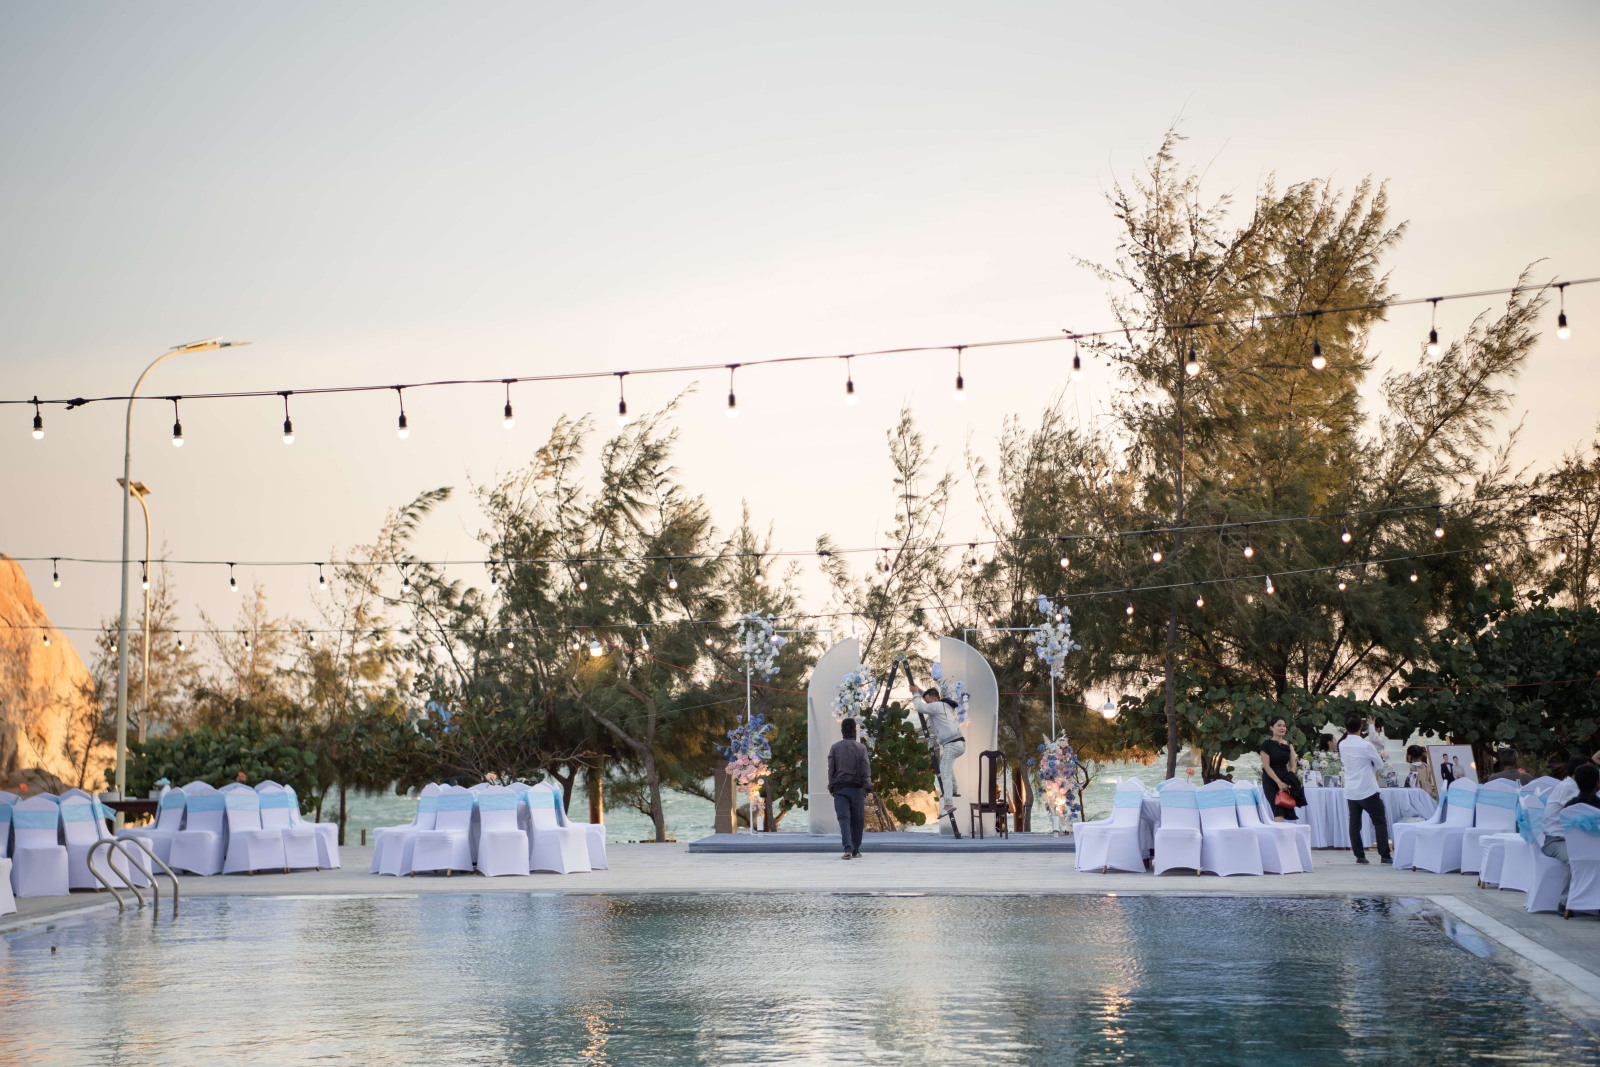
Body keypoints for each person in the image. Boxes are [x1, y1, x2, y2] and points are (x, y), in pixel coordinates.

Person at [1543, 758, 1600, 913]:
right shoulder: (1569, 790)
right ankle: (1565, 901)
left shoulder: (1573, 793)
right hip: (1557, 840)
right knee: (1574, 857)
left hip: (1575, 839)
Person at [1338, 714, 1391, 865]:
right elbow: (1379, 765)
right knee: (1379, 822)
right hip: (1368, 789)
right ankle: (1385, 855)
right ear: (1361, 727)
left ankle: (1360, 856)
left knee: (1354, 825)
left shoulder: (1342, 744)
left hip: (1351, 790)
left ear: (1345, 727)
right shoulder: (1366, 745)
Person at [913, 686, 965, 823]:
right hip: (957, 743)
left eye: (929, 702)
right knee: (944, 761)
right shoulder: (943, 706)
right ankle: (954, 788)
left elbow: (919, 707)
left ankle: (948, 804)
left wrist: (915, 694)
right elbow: (927, 697)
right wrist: (919, 691)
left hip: (952, 744)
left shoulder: (937, 705)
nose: (928, 706)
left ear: (935, 699)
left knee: (944, 772)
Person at [827, 717, 873, 860]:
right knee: (857, 820)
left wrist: (831, 787)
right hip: (856, 789)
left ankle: (847, 849)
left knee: (843, 819)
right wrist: (869, 789)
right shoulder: (861, 748)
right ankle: (855, 850)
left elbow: (831, 770)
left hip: (840, 788)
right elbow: (865, 771)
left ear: (842, 731)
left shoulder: (835, 747)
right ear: (855, 731)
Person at [1259, 716, 1304, 821]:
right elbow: (1266, 766)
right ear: (1271, 728)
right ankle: (1280, 831)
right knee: (1278, 811)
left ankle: (1282, 830)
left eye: (1284, 726)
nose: (1282, 728)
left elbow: (1293, 765)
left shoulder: (1289, 745)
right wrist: (1278, 782)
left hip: (1285, 779)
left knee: (1285, 809)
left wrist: (1288, 780)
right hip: (1271, 779)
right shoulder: (1266, 745)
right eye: (1279, 725)